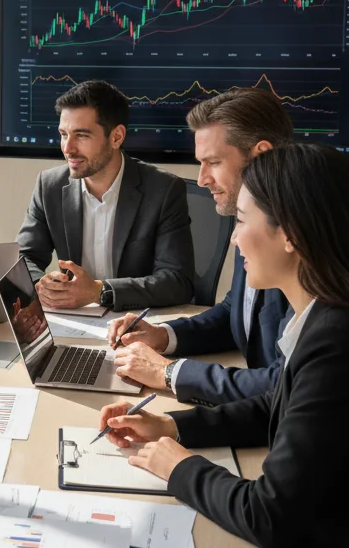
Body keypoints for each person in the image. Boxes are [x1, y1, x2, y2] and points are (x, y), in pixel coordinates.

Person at [98, 144, 349, 548]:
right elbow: (279, 409)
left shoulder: (341, 338)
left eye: (243, 220)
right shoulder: (332, 312)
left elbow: (267, 515)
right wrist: (172, 426)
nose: (233, 238)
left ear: (291, 235)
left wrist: (176, 466)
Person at [107, 88, 294, 403]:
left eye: (213, 162)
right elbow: (237, 311)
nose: (202, 179)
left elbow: (287, 383)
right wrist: (163, 336)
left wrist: (168, 372)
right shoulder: (250, 221)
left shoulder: (304, 241)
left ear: (261, 155)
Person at [16, 79, 194, 311]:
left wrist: (101, 291)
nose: (67, 148)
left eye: (81, 135)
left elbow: (177, 281)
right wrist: (42, 283)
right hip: (74, 320)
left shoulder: (163, 190)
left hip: (136, 322)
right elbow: (23, 258)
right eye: (63, 134)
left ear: (116, 137)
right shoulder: (49, 186)